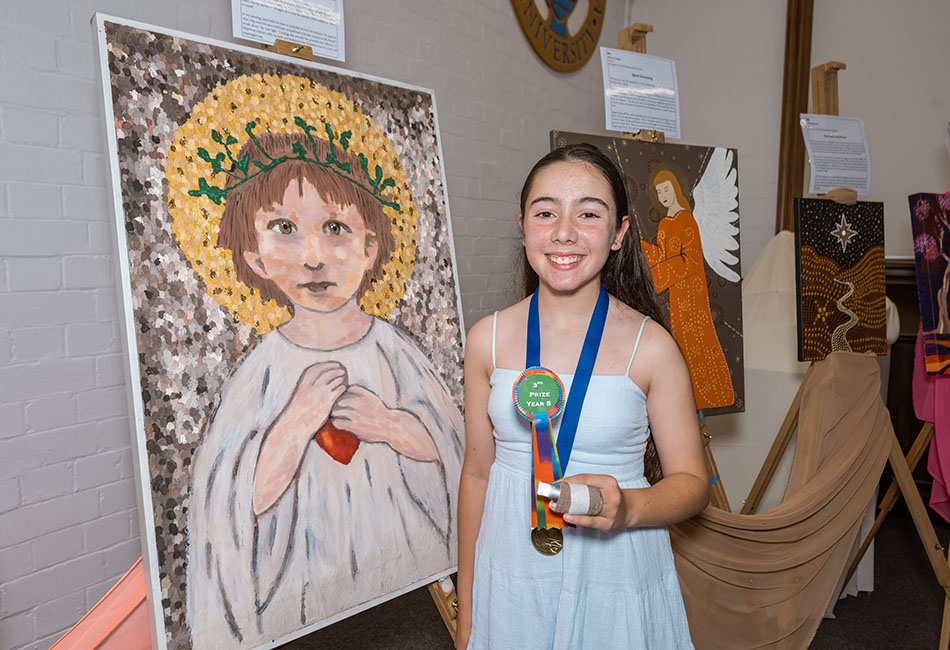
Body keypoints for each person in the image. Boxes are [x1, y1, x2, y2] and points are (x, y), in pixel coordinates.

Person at [186, 131, 464, 646]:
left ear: (370, 248)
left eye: (335, 227)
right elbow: (233, 505)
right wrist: (294, 425)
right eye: (284, 228)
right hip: (305, 595)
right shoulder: (261, 374)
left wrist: (393, 425)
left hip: (408, 578)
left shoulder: (395, 353)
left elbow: (450, 450)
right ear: (255, 258)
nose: (313, 257)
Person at [457, 144, 708, 649]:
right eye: (545, 213)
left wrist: (628, 509)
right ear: (523, 226)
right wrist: (468, 614)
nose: (564, 232)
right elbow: (477, 474)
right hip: (510, 569)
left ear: (618, 233)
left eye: (588, 214)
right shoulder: (486, 339)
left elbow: (692, 484)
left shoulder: (651, 347)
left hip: (614, 570)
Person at [640, 170, 735, 410]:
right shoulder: (664, 223)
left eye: (666, 189)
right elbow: (663, 256)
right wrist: (640, 247)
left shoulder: (687, 220)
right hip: (676, 294)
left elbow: (690, 261)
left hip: (692, 292)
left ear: (675, 188)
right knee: (681, 344)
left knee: (698, 341)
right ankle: (686, 398)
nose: (663, 195)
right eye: (658, 191)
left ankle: (710, 396)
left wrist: (658, 276)